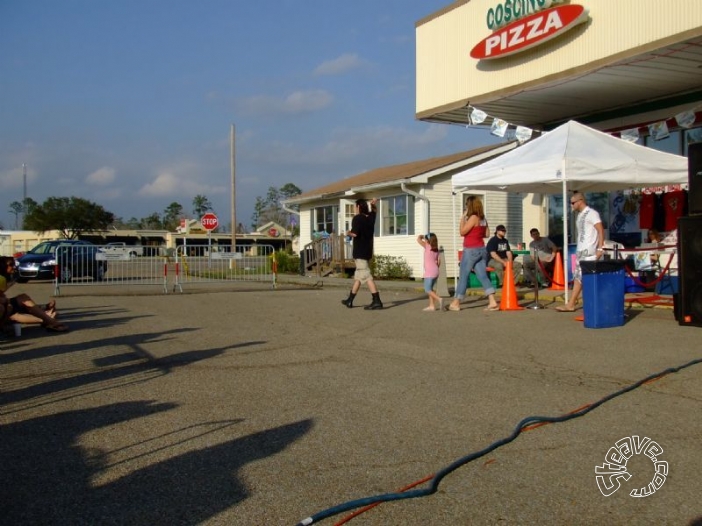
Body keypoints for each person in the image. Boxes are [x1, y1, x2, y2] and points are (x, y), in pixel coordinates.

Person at [448, 196, 499, 312]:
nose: (466, 206)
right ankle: (492, 301)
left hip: (471, 250)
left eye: (467, 204)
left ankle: (456, 302)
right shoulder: (483, 219)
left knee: (463, 276)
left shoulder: (473, 218)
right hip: (481, 249)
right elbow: (487, 234)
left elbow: (462, 232)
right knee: (482, 276)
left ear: (470, 205)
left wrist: (462, 218)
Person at [556, 192, 605, 312]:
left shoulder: (592, 213)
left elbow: (600, 230)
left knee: (588, 278)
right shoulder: (579, 216)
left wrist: (600, 248)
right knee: (578, 278)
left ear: (580, 201)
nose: (571, 205)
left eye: (573, 203)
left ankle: (595, 304)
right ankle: (571, 303)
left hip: (590, 252)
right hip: (580, 251)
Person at [0, 256, 68, 332]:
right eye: (11, 264)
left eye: (14, 264)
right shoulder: (1, 279)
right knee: (12, 312)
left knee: (23, 298)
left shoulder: (6, 278)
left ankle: (49, 319)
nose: (14, 267)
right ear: (3, 266)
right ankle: (47, 318)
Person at [341, 198, 383, 310]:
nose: (355, 209)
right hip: (367, 251)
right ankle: (350, 300)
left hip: (359, 252)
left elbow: (354, 234)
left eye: (355, 207)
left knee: (366, 276)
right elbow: (374, 211)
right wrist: (373, 205)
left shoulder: (357, 218)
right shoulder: (370, 218)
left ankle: (377, 301)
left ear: (358, 207)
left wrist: (347, 232)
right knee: (359, 277)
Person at [417, 233, 442, 311]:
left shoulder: (427, 246)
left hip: (429, 272)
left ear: (428, 240)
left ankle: (439, 299)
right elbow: (439, 261)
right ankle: (432, 306)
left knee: (427, 289)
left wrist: (421, 237)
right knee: (430, 289)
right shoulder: (436, 249)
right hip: (436, 271)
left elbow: (418, 240)